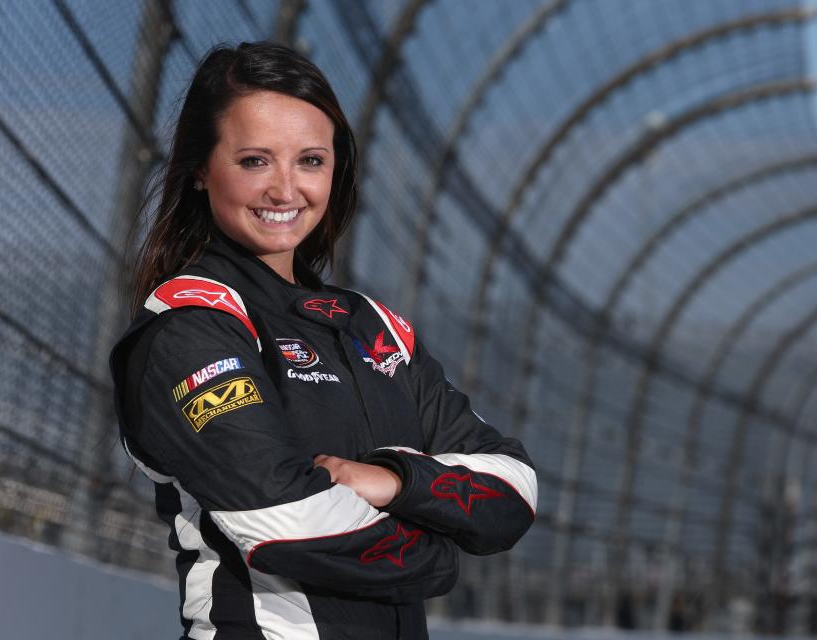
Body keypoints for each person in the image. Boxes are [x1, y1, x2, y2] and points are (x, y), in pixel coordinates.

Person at [110, 41, 538, 640]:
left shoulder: (372, 327)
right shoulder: (191, 322)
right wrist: (440, 553)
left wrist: (397, 479)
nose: (286, 190)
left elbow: (513, 487)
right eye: (255, 161)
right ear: (203, 171)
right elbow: (284, 520)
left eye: (310, 160)